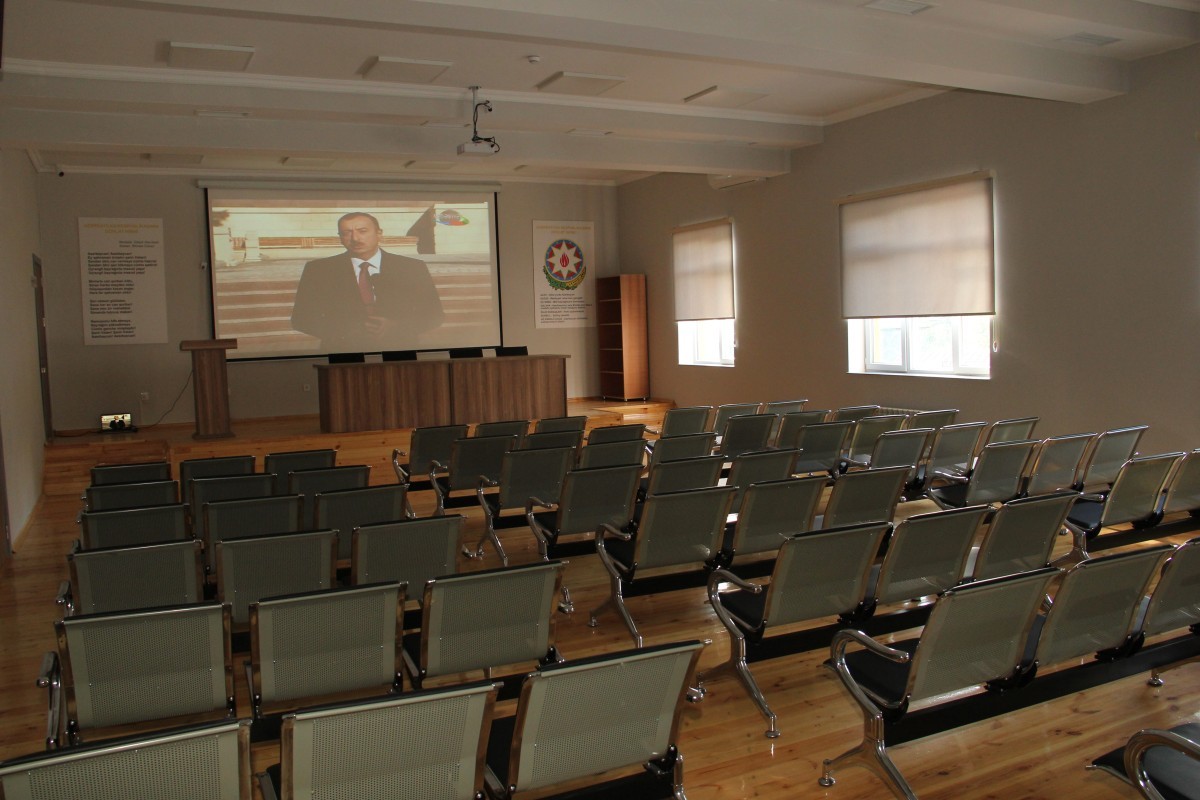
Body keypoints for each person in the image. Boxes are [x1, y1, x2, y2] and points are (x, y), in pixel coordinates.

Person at [291, 211, 444, 351]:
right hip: (343, 354)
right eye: (346, 233)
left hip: (400, 353)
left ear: (379, 233)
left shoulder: (411, 268)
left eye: (362, 231)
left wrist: (396, 326)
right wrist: (350, 332)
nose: (355, 239)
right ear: (340, 238)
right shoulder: (318, 270)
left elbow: (434, 314)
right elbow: (301, 319)